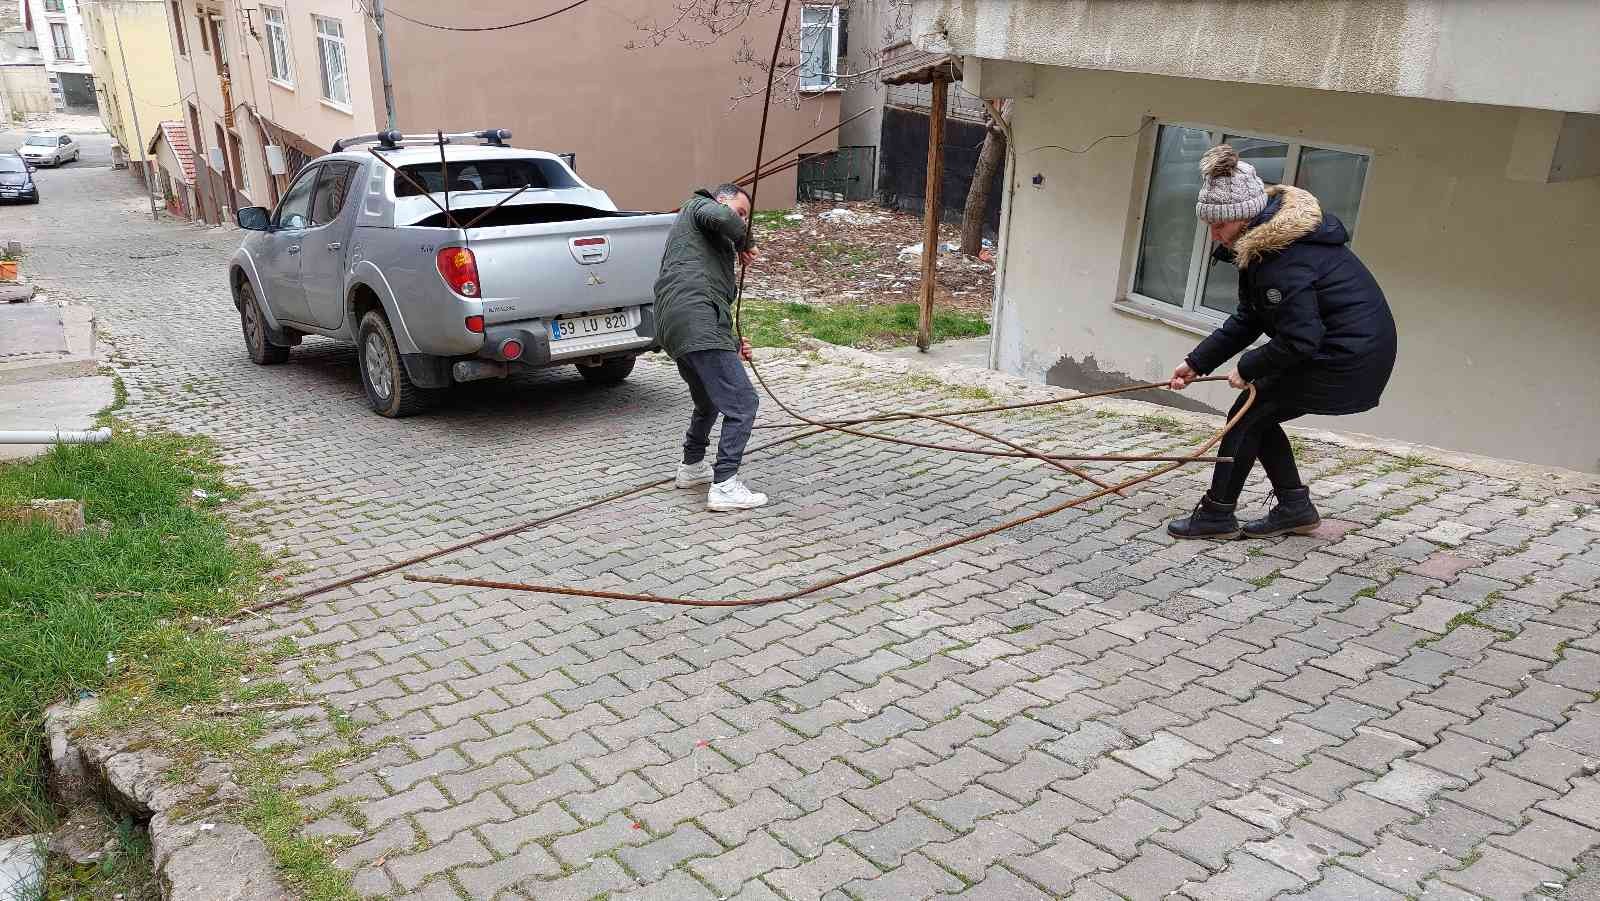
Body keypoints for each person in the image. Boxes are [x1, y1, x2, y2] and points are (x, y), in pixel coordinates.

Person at [1167, 144, 1397, 539]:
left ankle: (1217, 515)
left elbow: (1300, 339)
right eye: (1209, 224)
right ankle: (1294, 508)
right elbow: (1251, 316)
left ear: (1245, 217)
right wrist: (1198, 362)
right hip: (1341, 350)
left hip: (1347, 358)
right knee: (1259, 413)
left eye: (1219, 225)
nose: (1213, 234)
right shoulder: (1265, 246)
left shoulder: (1282, 259)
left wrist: (1248, 366)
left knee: (1250, 410)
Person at [653, 183, 768, 512]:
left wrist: (732, 343)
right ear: (721, 201)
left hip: (678, 324)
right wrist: (747, 241)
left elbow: (710, 301)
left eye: (746, 217)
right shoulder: (698, 205)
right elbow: (725, 220)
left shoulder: (705, 245)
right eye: (741, 212)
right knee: (743, 403)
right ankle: (725, 484)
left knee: (708, 400)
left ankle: (691, 467)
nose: (742, 221)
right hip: (693, 319)